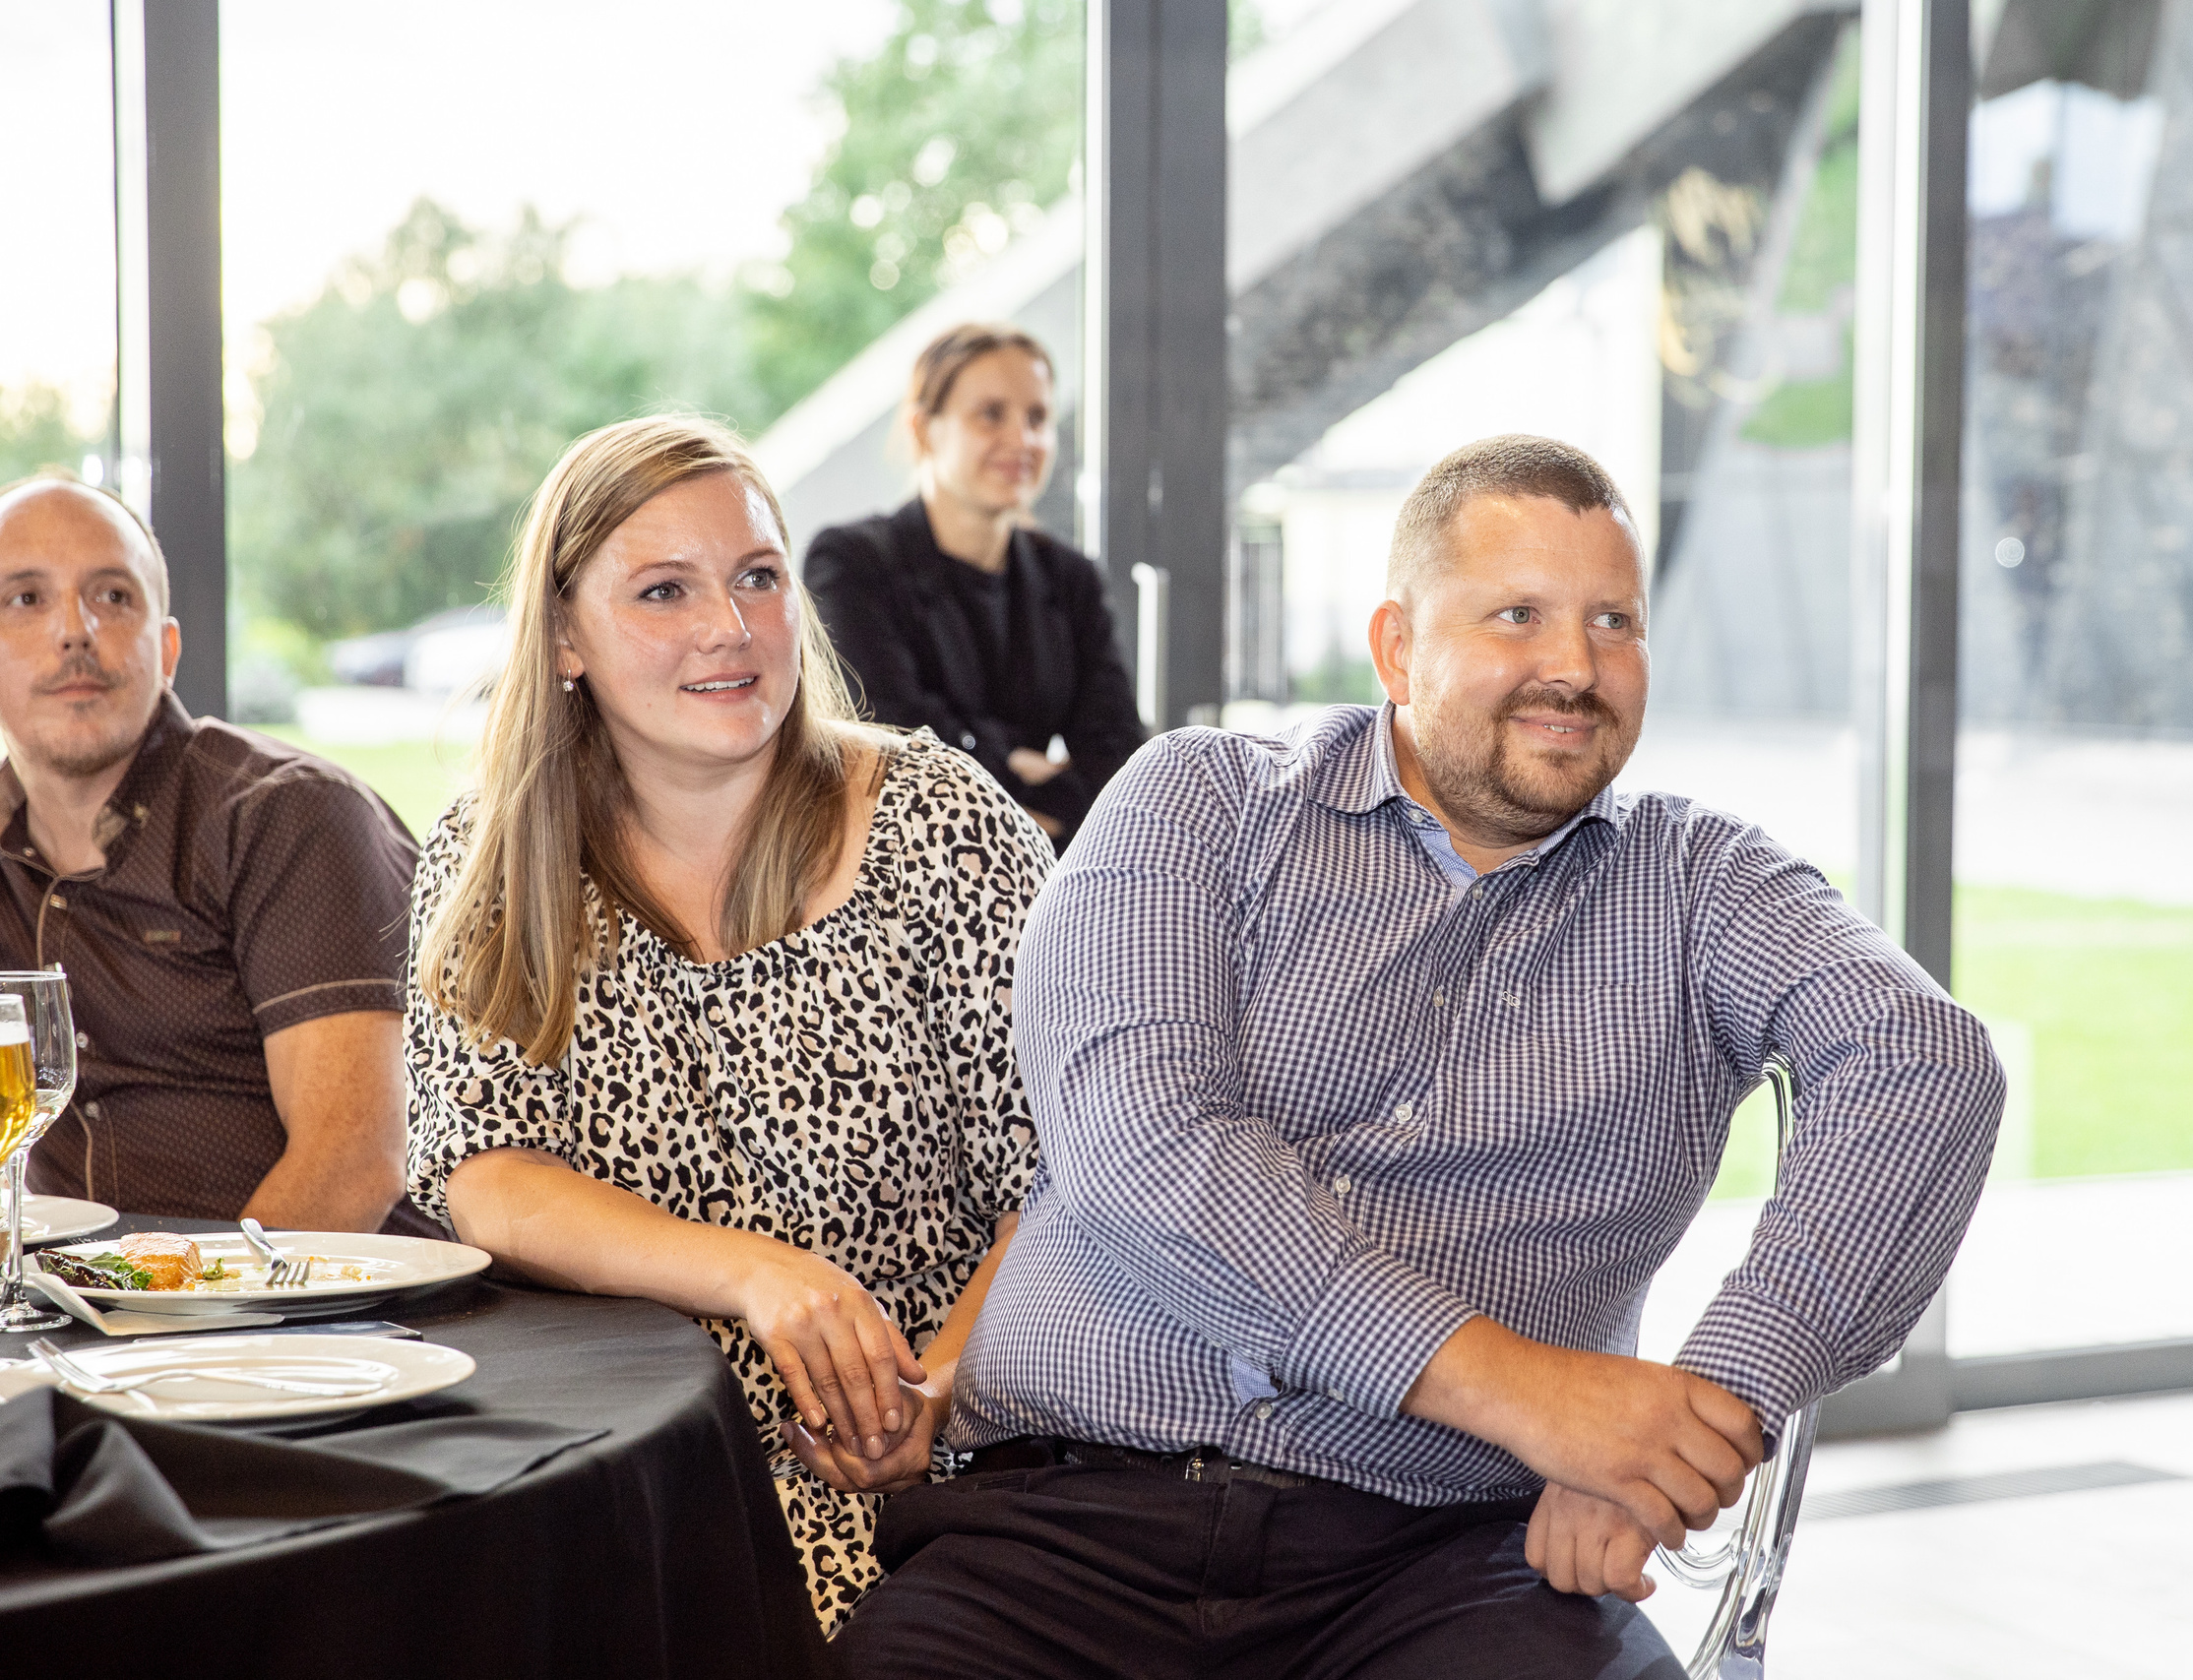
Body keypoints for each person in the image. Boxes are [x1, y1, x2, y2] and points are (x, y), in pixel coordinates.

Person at [841, 435, 2005, 1676]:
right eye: (1519, 615)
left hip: (1452, 1561)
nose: (1575, 666)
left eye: (1616, 621)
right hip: (1064, 1531)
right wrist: (1532, 1399)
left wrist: (1690, 1425)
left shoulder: (1706, 884)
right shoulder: (1198, 802)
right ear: (1396, 647)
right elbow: (1147, 1143)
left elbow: (1924, 1062)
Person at [403, 415, 1048, 1634]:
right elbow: (484, 1174)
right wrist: (759, 1276)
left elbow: (1065, 1180)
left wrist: (943, 1393)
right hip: (629, 1473)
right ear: (563, 640)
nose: (731, 628)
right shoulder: (495, 861)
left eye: (759, 575)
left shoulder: (939, 825)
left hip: (956, 1466)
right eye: (663, 590)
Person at [0, 469, 425, 1233]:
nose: (75, 630)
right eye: (25, 599)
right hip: (94, 1315)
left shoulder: (289, 816)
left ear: (166, 651)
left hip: (342, 1318)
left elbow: (353, 1161)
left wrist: (176, 1327)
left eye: (113, 596)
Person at [802, 323, 1142, 851]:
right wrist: (1013, 762)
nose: (1023, 440)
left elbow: (1120, 757)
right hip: (897, 867)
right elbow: (890, 740)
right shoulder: (853, 563)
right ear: (923, 430)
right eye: (991, 414)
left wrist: (987, 762)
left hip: (1046, 879)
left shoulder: (1071, 579)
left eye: (1037, 418)